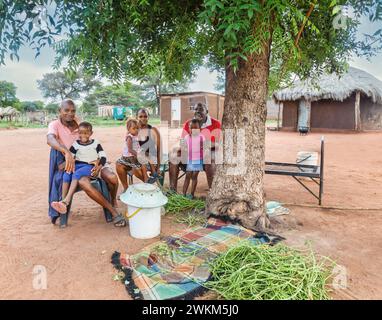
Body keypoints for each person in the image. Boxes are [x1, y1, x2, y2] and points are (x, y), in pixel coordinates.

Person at [47, 99, 120, 226]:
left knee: (112, 178)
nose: (70, 113)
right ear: (60, 111)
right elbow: (50, 139)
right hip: (77, 162)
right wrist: (67, 153)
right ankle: (111, 211)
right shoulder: (54, 125)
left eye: (73, 111)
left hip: (93, 160)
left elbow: (96, 148)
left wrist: (99, 163)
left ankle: (113, 198)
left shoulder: (81, 124)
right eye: (66, 110)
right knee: (75, 179)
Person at [169, 103, 221, 192]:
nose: (198, 112)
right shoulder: (189, 124)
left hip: (206, 156)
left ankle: (212, 192)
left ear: (207, 112)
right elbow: (183, 141)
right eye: (196, 109)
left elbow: (217, 144)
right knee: (174, 155)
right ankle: (172, 191)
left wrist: (203, 146)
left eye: (201, 109)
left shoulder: (215, 123)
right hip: (191, 155)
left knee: (210, 157)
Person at [116, 109, 161, 191]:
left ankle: (148, 186)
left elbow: (158, 150)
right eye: (140, 116)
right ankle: (126, 189)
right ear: (137, 117)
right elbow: (129, 148)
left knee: (136, 169)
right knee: (119, 165)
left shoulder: (153, 130)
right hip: (136, 157)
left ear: (148, 117)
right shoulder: (132, 131)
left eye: (145, 116)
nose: (143, 118)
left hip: (149, 158)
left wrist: (158, 167)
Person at [182, 119, 206, 198]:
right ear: (189, 129)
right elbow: (183, 146)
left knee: (194, 176)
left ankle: (192, 194)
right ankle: (184, 194)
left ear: (200, 129)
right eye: (192, 128)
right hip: (190, 160)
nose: (194, 130)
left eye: (196, 128)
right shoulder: (186, 137)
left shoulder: (202, 137)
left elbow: (205, 147)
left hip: (199, 159)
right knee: (188, 175)